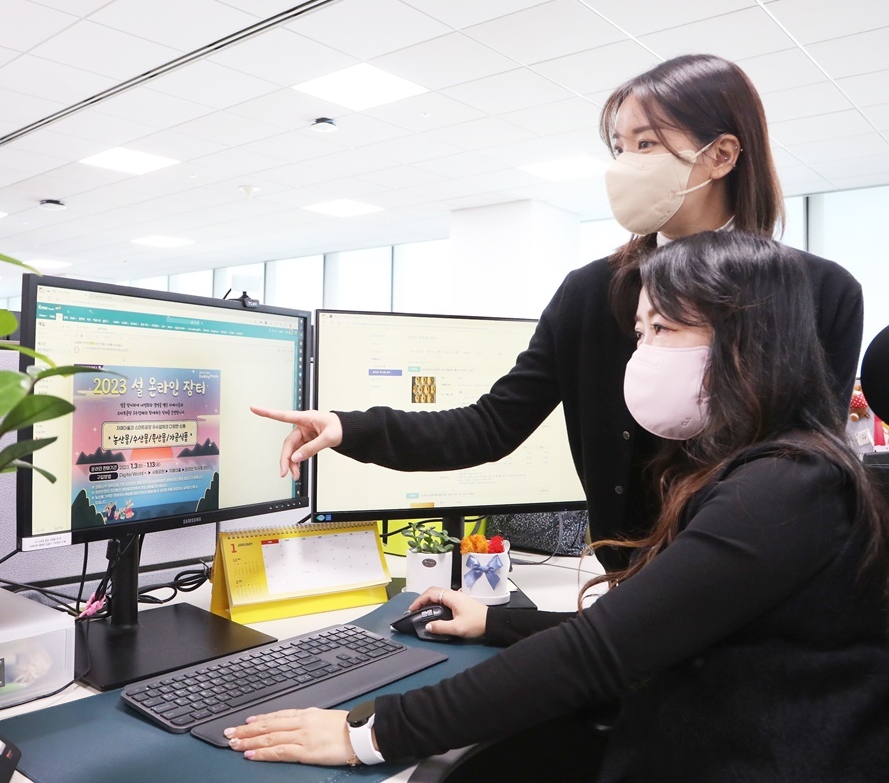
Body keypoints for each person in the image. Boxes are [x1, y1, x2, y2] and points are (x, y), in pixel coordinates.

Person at [227, 231, 889, 780]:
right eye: (639, 332)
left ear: (748, 339)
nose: (641, 354)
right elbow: (664, 628)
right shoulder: (767, 471)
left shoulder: (783, 490)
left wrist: (369, 733)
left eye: (663, 328)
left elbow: (599, 654)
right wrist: (496, 622)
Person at [250, 53, 863, 573]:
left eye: (646, 144)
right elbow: (491, 425)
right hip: (626, 587)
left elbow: (809, 471)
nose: (625, 164)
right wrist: (349, 427)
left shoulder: (822, 292)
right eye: (619, 146)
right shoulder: (592, 292)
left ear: (722, 154)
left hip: (759, 587)